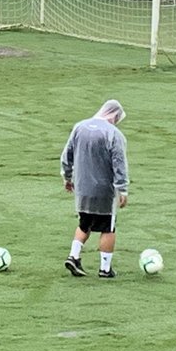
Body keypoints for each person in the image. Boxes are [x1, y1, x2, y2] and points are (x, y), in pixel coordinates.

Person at [60, 100, 129, 278]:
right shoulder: (113, 134)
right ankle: (105, 269)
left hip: (82, 188)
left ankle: (74, 256)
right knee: (108, 228)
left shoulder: (79, 127)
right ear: (114, 116)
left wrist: (67, 177)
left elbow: (67, 155)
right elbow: (119, 163)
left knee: (84, 223)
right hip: (104, 191)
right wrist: (122, 189)